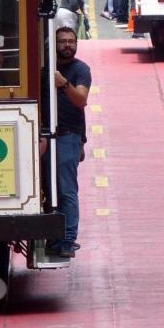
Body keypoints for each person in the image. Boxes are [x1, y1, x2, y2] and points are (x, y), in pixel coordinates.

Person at [46, 27, 91, 258]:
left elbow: (81, 100)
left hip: (68, 136)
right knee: (47, 187)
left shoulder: (81, 69)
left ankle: (67, 240)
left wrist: (63, 84)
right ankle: (52, 237)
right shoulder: (45, 67)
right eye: (62, 41)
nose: (67, 45)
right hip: (45, 136)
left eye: (71, 41)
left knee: (66, 190)